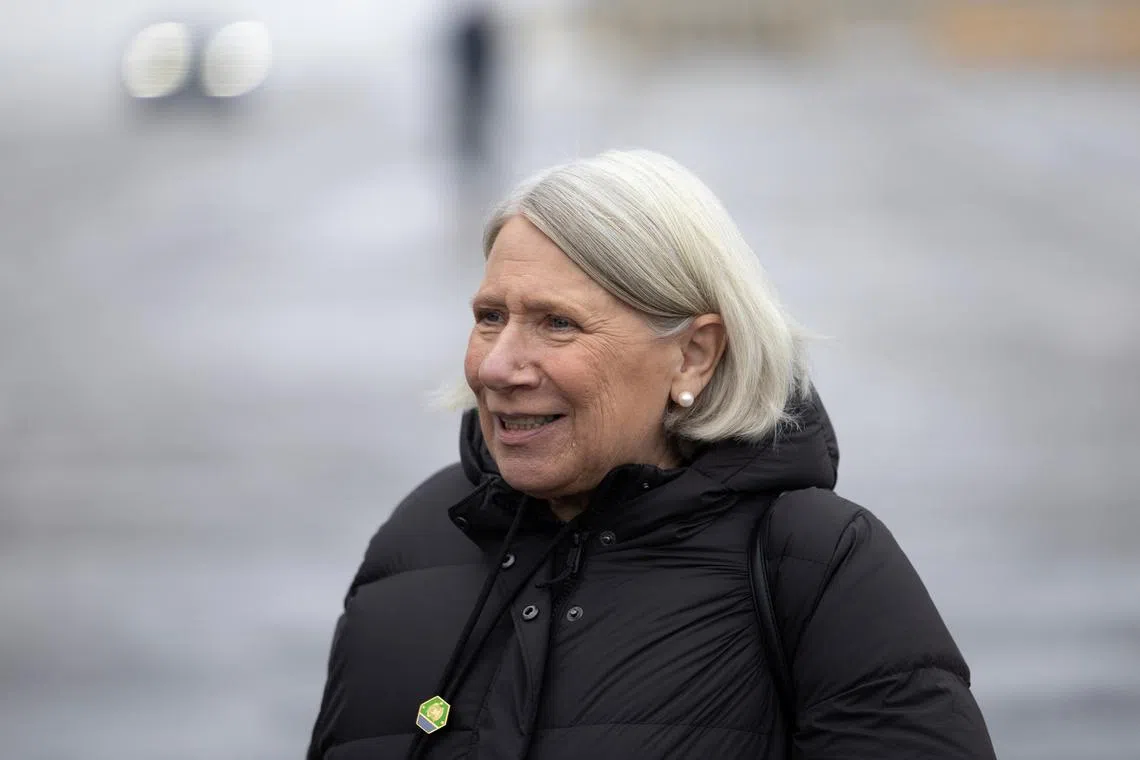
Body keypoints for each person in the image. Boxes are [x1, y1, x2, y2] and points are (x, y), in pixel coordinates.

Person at [306, 149, 996, 759]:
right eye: (491, 317)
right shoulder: (419, 539)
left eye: (557, 323)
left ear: (693, 355)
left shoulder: (820, 566)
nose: (497, 367)